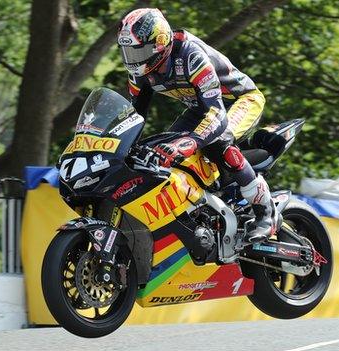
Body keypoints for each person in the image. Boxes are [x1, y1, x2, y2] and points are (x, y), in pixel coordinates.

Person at [117, 8, 278, 242]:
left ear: (160, 42)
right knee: (163, 151)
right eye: (129, 52)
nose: (134, 59)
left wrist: (192, 141)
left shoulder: (191, 55)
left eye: (139, 50)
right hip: (200, 106)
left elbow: (218, 115)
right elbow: (133, 116)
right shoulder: (139, 72)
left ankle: (265, 212)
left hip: (237, 101)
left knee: (219, 142)